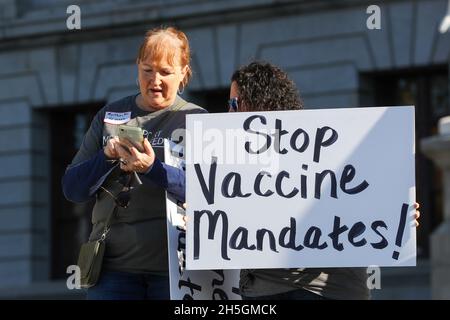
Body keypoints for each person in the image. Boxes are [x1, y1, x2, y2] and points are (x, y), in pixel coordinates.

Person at [142, 61, 421, 300]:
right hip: (268, 290)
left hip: (323, 290)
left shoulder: (319, 147)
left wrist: (394, 212)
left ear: (256, 102)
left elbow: (348, 202)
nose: (228, 114)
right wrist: (208, 222)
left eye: (233, 104)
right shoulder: (236, 157)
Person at [62, 26, 206, 300]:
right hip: (112, 273)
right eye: (147, 69)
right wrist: (106, 157)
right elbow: (72, 189)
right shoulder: (109, 115)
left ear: (184, 72)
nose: (155, 80)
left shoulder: (198, 120)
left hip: (177, 273)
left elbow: (210, 193)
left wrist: (151, 169)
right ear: (136, 67)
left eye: (165, 71)